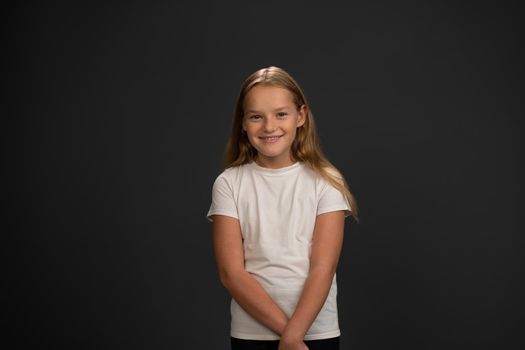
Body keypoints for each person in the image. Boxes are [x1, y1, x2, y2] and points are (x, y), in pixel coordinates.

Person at [206, 66, 359, 350]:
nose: (269, 126)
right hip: (253, 334)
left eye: (280, 114)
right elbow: (232, 273)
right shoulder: (229, 183)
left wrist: (294, 334)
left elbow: (322, 269)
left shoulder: (326, 181)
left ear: (300, 116)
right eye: (256, 117)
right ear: (243, 122)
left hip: (315, 332)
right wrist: (287, 334)